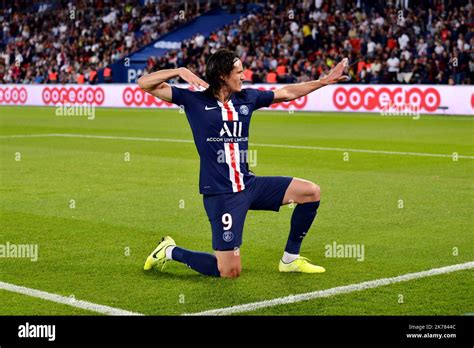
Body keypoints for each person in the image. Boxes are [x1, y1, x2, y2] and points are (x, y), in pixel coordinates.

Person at [139, 49, 348, 278]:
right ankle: (169, 251)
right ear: (222, 75)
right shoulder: (193, 100)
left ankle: (290, 260)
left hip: (249, 185)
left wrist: (325, 81)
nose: (244, 75)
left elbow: (286, 92)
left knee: (310, 192)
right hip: (222, 194)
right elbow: (145, 83)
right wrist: (179, 71)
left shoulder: (247, 98)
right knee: (229, 271)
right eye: (239, 72)